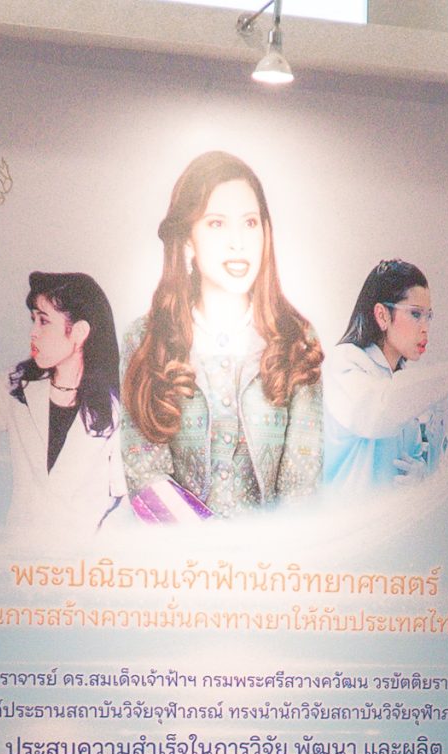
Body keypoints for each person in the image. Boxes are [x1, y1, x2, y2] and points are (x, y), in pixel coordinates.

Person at [121, 150, 324, 519]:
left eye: (250, 222)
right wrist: (211, 549)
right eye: (216, 223)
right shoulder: (146, 339)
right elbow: (144, 475)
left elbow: (302, 486)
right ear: (187, 240)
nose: (238, 242)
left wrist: (269, 552)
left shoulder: (297, 340)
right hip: (176, 553)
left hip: (276, 553)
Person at [0, 271, 126, 537]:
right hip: (21, 555)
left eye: (44, 321)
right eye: (33, 320)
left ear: (79, 332)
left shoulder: (115, 406)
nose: (33, 332)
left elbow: (122, 497)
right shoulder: (17, 387)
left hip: (85, 557)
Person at [322, 258, 448, 496]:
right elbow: (379, 410)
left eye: (429, 316)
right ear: (382, 315)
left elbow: (409, 454)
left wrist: (421, 475)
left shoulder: (400, 382)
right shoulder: (344, 362)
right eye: (415, 314)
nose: (425, 327)